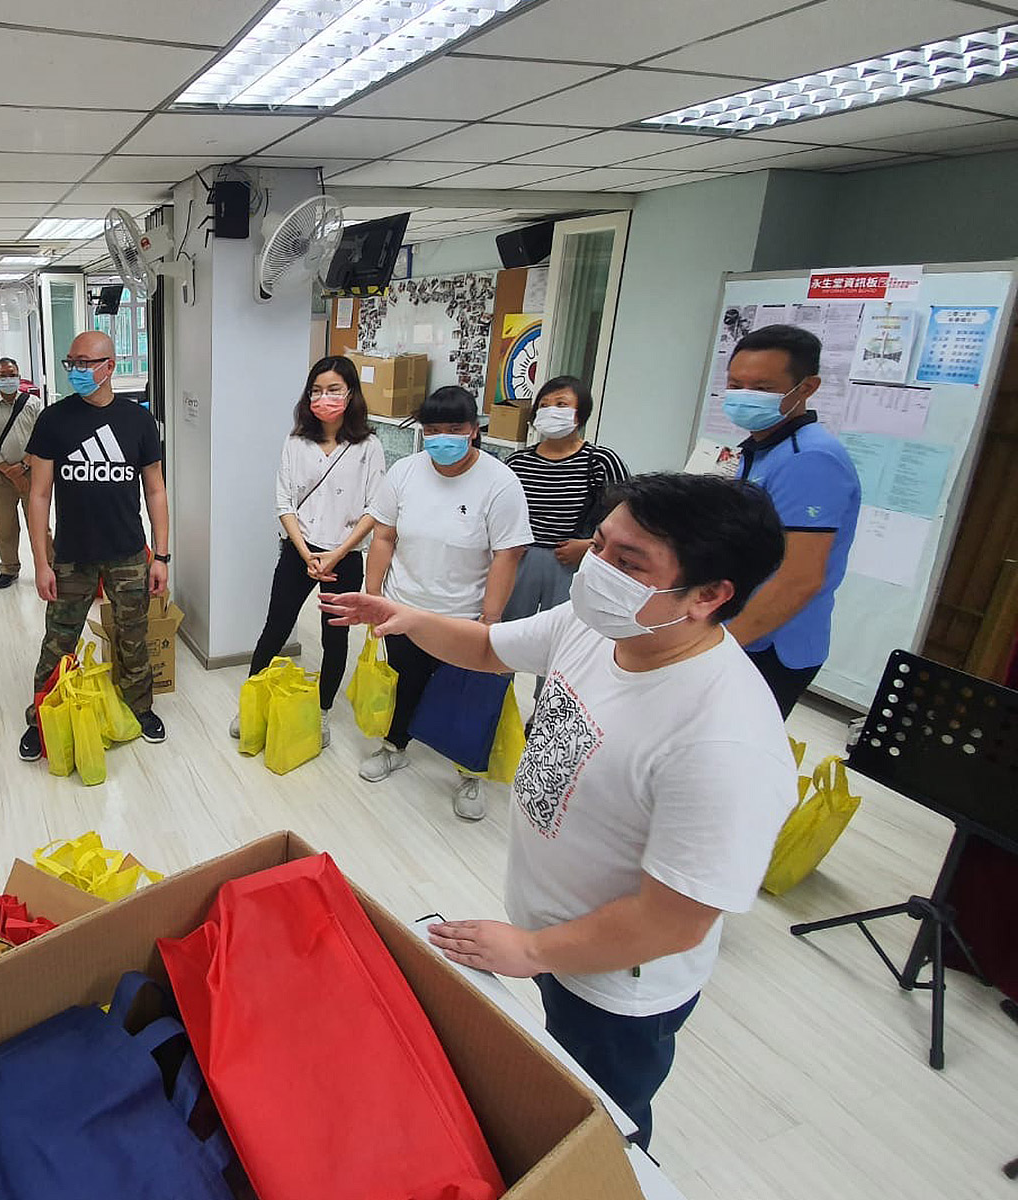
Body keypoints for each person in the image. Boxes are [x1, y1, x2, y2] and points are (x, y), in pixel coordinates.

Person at [321, 472, 797, 1150]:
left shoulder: (725, 740)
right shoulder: (599, 625)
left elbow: (676, 921)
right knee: (538, 1085)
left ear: (710, 595)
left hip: (615, 984)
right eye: (599, 544)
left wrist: (533, 951)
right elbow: (490, 649)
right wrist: (409, 619)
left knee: (595, 1126)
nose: (597, 569)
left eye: (629, 563)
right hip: (551, 937)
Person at [360, 385, 531, 820]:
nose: (443, 438)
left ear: (474, 430)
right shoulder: (405, 472)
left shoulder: (499, 482)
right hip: (404, 607)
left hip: (463, 616)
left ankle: (469, 773)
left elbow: (507, 554)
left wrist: (489, 620)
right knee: (404, 683)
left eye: (454, 428)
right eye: (433, 429)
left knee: (467, 698)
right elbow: (384, 536)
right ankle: (395, 746)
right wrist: (373, 596)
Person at [18, 330, 169, 759]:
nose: (77, 370)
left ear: (109, 367)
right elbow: (39, 494)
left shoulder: (138, 421)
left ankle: (140, 709)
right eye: (72, 362)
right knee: (58, 639)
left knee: (133, 636)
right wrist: (41, 561)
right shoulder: (54, 420)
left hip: (127, 553)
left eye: (85, 362)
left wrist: (161, 555)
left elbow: (155, 491)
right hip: (71, 556)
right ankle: (41, 717)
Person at [232, 355, 386, 747]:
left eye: (333, 390)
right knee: (276, 628)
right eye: (316, 390)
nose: (324, 398)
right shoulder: (296, 441)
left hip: (345, 557)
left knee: (335, 640)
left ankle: (321, 712)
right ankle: (250, 702)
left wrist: (334, 556)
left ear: (350, 394)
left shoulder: (369, 446)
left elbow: (375, 509)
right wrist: (305, 554)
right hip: (298, 552)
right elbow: (284, 502)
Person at [720, 325, 862, 717]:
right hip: (742, 626)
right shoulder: (763, 449)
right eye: (736, 383)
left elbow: (799, 578)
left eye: (763, 388)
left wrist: (719, 648)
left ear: (806, 387)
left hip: (769, 643)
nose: (745, 396)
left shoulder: (809, 459)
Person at [503, 377, 629, 712]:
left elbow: (626, 516)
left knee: (565, 643)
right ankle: (493, 716)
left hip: (574, 563)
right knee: (508, 638)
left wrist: (589, 545)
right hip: (522, 560)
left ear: (580, 413)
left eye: (560, 404)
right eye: (543, 405)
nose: (550, 412)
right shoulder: (517, 463)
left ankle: (547, 715)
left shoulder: (600, 461)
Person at [0, 356, 45, 589]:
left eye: (12, 374)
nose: (8, 379)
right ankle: (9, 568)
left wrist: (25, 465)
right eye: (3, 376)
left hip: (33, 473)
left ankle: (46, 567)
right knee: (5, 526)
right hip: (2, 475)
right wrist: (11, 472)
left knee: (39, 524)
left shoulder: (33, 404)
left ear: (19, 376)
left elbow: (42, 439)